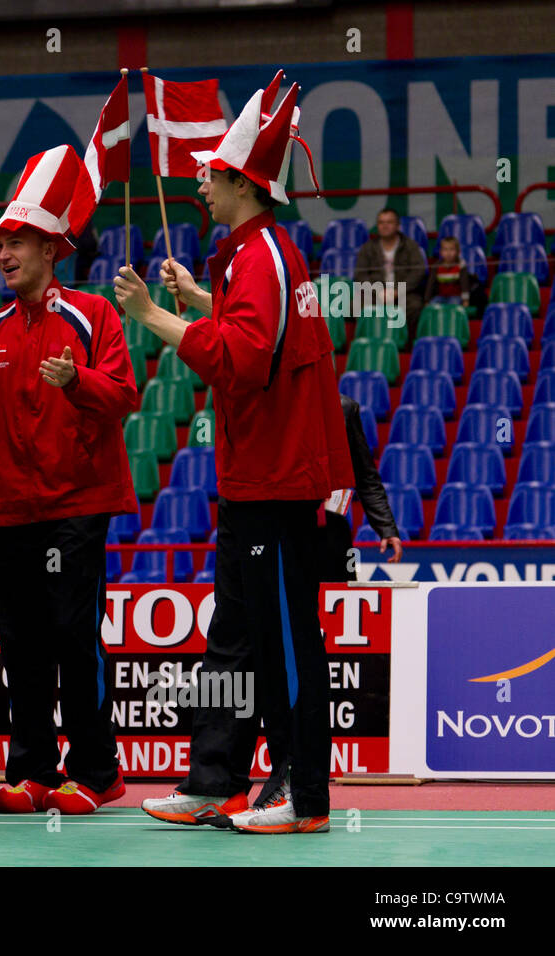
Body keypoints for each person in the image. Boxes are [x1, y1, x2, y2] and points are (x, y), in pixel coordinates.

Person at [116, 78, 354, 834]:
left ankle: (303, 796)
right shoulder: (254, 256)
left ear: (243, 184)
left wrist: (152, 315)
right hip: (250, 479)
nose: (199, 180)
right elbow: (263, 341)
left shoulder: (265, 258)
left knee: (286, 643)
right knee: (232, 643)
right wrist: (196, 301)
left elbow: (245, 362)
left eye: (211, 173)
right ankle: (214, 779)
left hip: (279, 485)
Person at [0, 145, 138, 816]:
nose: (4, 251)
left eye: (19, 239)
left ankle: (97, 770)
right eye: (0, 242)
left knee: (72, 635)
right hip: (14, 509)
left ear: (53, 249)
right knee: (21, 641)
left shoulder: (93, 315)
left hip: (79, 503)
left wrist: (76, 380)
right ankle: (31, 770)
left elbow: (124, 396)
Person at [321, 395, 402, 582]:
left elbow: (365, 475)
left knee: (345, 595)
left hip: (331, 526)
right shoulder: (282, 404)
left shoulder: (345, 409)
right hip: (289, 526)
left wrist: (386, 527)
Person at [354, 207, 427, 343]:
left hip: (404, 294)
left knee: (415, 306)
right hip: (376, 294)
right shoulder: (368, 248)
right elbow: (360, 274)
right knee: (357, 305)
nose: (385, 226)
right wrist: (378, 291)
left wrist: (397, 291)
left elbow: (418, 272)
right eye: (381, 222)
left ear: (398, 226)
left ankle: (406, 344)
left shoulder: (410, 246)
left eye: (389, 222)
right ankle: (370, 342)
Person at [424, 235, 482, 312]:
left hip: (455, 297)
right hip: (441, 296)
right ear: (441, 252)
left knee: (452, 308)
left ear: (458, 252)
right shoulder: (436, 266)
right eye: (445, 249)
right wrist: (427, 300)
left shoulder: (461, 265)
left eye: (452, 249)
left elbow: (465, 285)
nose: (448, 253)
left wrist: (465, 300)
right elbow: (430, 284)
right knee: (431, 307)